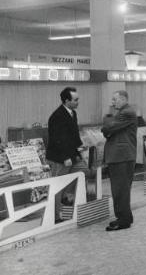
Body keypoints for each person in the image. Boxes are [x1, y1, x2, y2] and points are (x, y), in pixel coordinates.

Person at [46, 87, 86, 223]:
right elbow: (57, 139)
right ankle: (55, 217)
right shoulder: (57, 116)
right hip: (59, 158)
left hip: (72, 155)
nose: (78, 102)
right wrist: (65, 158)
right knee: (57, 186)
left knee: (84, 172)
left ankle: (67, 197)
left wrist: (80, 147)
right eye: (75, 100)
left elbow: (74, 135)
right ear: (66, 101)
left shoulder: (73, 113)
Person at [102, 90, 138, 231]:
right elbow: (110, 129)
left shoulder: (126, 112)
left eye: (114, 99)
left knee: (120, 189)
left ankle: (123, 221)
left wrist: (108, 116)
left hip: (122, 157)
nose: (112, 102)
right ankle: (124, 217)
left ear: (123, 99)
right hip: (120, 156)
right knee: (119, 189)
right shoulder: (123, 112)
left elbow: (108, 127)